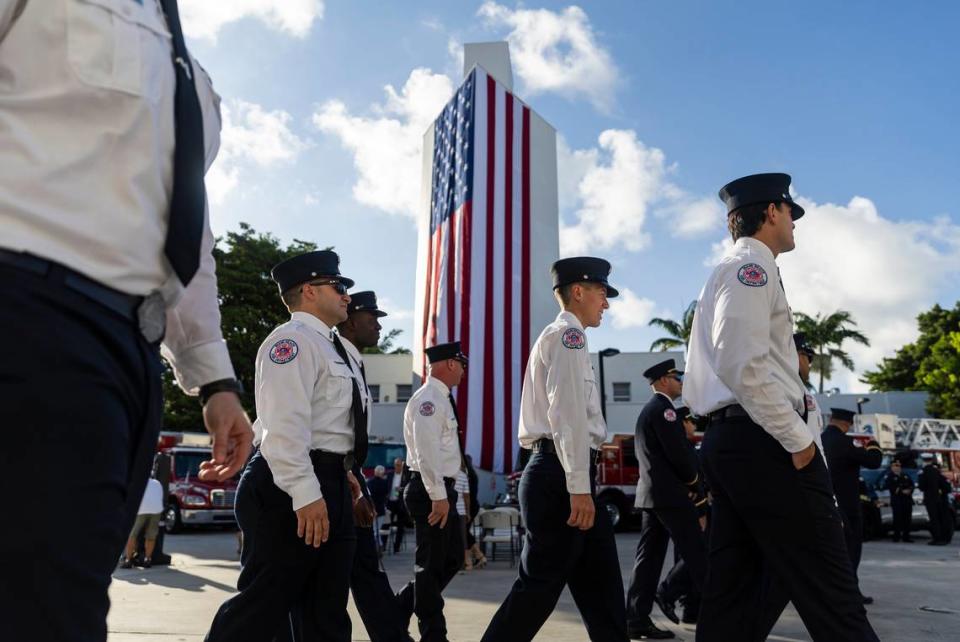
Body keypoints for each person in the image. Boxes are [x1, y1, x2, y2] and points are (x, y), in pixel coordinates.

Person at [0, 3, 253, 640]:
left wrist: (216, 382)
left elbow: (186, 236)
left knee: (67, 592)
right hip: (24, 303)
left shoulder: (190, 75)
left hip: (126, 349)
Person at [684, 173, 878, 641]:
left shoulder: (739, 267)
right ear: (771, 211)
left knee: (736, 597)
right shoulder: (751, 265)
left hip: (738, 439)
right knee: (832, 591)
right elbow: (740, 360)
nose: (795, 222)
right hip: (765, 442)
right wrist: (798, 440)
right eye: (791, 211)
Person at [206, 250, 363, 642]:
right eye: (338, 286)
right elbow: (284, 427)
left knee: (325, 613)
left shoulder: (335, 347)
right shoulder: (291, 341)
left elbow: (330, 423)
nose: (346, 295)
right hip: (288, 482)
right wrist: (306, 492)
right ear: (309, 290)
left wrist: (342, 472)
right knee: (262, 607)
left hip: (326, 479)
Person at [482, 257, 628, 642]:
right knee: (538, 590)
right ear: (578, 291)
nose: (606, 303)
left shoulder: (566, 336)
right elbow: (567, 415)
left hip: (568, 474)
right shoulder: (568, 336)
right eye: (601, 293)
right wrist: (578, 487)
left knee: (605, 593)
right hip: (560, 476)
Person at [335, 290, 413, 642]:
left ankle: (393, 635)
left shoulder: (354, 361)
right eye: (372, 318)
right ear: (351, 320)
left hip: (349, 474)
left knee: (366, 567)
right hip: (329, 473)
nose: (379, 325)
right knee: (303, 577)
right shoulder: (329, 353)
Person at [625, 360, 707, 640]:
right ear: (662, 381)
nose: (681, 381)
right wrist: (695, 482)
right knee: (698, 552)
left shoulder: (651, 410)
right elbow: (679, 454)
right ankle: (719, 618)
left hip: (652, 496)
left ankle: (636, 618)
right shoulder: (664, 410)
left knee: (648, 559)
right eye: (677, 377)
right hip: (670, 496)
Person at [396, 341, 469, 642]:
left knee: (451, 560)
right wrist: (439, 496)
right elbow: (427, 453)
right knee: (430, 564)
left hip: (440, 490)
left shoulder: (441, 398)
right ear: (450, 364)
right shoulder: (429, 400)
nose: (464, 371)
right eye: (462, 364)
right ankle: (433, 633)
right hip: (430, 490)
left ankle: (396, 611)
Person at [821, 407, 882, 603]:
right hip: (847, 506)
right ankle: (849, 592)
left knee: (828, 550)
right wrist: (873, 443)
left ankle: (827, 590)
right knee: (851, 549)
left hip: (823, 503)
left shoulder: (818, 439)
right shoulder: (846, 443)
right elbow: (874, 461)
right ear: (847, 424)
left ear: (831, 419)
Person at [120, 477, 165, 569]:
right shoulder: (157, 482)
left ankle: (128, 560)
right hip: (156, 509)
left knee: (132, 534)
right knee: (151, 535)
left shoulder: (136, 481)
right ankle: (147, 559)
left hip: (141, 509)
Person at [918, 454, 952, 545]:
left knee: (934, 519)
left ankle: (937, 538)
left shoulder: (924, 472)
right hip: (941, 499)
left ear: (924, 461)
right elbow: (947, 487)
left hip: (930, 499)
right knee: (942, 518)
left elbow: (922, 486)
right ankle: (945, 538)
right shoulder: (937, 471)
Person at [883, 460, 915, 542]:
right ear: (892, 467)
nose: (897, 467)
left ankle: (906, 536)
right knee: (897, 519)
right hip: (897, 500)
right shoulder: (889, 477)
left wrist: (909, 490)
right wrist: (901, 491)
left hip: (907, 500)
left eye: (899, 466)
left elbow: (912, 485)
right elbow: (890, 487)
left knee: (907, 519)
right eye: (895, 466)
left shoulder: (905, 476)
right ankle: (896, 536)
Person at [387, 457, 410, 553]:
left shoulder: (405, 476)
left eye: (399, 465)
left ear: (402, 466)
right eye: (396, 465)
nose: (397, 467)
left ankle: (396, 547)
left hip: (400, 504)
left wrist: (400, 489)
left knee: (400, 526)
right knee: (386, 524)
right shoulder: (390, 475)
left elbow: (407, 488)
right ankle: (383, 546)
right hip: (390, 503)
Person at [454, 464, 472, 570]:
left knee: (450, 538)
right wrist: (468, 512)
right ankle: (464, 563)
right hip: (460, 511)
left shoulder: (445, 474)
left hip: (449, 511)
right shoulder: (463, 476)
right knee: (462, 538)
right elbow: (466, 497)